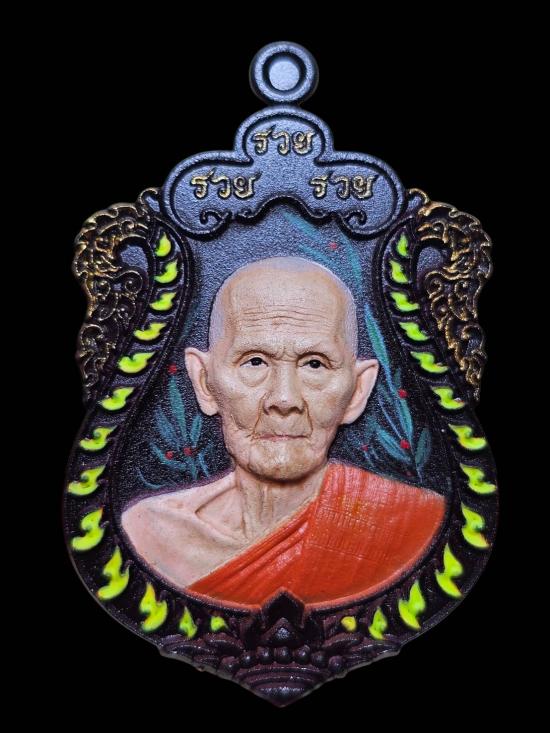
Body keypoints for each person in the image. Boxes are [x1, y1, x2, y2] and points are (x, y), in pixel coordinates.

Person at [121, 256, 446, 609]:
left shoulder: (413, 524)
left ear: (357, 391)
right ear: (204, 382)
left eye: (315, 364)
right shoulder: (149, 533)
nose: (284, 399)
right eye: (255, 361)